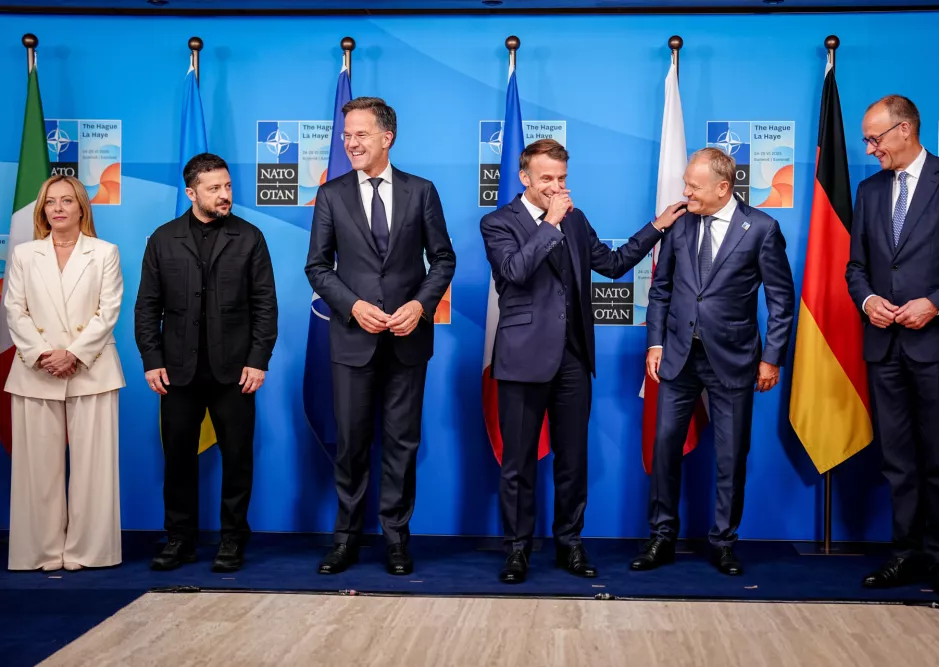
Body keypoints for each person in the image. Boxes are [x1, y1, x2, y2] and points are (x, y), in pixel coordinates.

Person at [480, 139, 682, 584]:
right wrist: (549, 224)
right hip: (522, 359)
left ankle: (569, 544)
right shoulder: (498, 222)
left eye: (562, 179)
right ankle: (517, 550)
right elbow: (514, 272)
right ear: (525, 178)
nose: (556, 187)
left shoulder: (577, 220)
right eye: (547, 179)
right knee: (519, 463)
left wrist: (657, 226)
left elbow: (611, 264)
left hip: (573, 359)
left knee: (573, 461)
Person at [846, 95, 939, 598]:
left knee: (936, 456)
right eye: (867, 139)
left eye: (875, 138)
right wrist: (867, 299)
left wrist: (933, 303)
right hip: (883, 345)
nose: (870, 149)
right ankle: (903, 554)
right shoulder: (868, 191)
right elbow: (856, 268)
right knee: (897, 459)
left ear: (906, 130)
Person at [305, 97, 455, 576]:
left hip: (408, 341)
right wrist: (352, 306)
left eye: (360, 134)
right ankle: (346, 539)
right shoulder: (331, 195)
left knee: (402, 444)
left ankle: (396, 540)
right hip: (352, 340)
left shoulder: (421, 191)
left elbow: (444, 259)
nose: (350, 143)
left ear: (386, 138)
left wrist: (419, 305)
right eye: (346, 135)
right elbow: (316, 267)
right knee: (350, 444)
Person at [638, 147, 795, 576]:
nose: (685, 192)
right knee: (665, 447)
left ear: (723, 187)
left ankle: (724, 542)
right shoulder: (680, 225)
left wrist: (771, 359)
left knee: (730, 455)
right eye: (686, 183)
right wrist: (655, 343)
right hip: (678, 359)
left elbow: (781, 301)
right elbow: (660, 290)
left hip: (735, 360)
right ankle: (661, 538)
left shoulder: (762, 228)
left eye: (693, 186)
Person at [135, 153, 278, 573]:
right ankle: (179, 539)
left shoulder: (249, 237)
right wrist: (151, 358)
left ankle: (233, 540)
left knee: (237, 459)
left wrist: (258, 359)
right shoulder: (163, 239)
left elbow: (265, 305)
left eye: (228, 186)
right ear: (192, 192)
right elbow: (147, 306)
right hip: (176, 370)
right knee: (178, 459)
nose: (225, 195)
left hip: (234, 371)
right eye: (215, 188)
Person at [5, 175, 126, 571]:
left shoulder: (105, 252)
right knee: (37, 470)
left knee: (94, 469)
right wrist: (43, 354)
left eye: (67, 201)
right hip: (35, 370)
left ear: (81, 208)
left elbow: (108, 311)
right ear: (42, 209)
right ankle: (39, 550)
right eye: (50, 202)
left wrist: (73, 353)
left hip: (92, 369)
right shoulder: (23, 254)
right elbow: (14, 310)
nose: (58, 208)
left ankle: (89, 551)